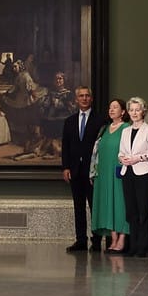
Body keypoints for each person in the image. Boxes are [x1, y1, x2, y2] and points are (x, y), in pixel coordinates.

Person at [60, 86, 102, 252]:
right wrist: (66, 167)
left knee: (95, 207)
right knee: (78, 207)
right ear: (76, 99)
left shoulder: (100, 120)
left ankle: (97, 241)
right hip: (75, 171)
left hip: (92, 172)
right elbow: (65, 146)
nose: (84, 98)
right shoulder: (69, 121)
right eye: (81, 96)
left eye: (87, 96)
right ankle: (81, 241)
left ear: (91, 98)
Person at [118, 98, 148, 257]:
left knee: (143, 211)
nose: (134, 113)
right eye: (131, 110)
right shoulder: (125, 131)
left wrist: (138, 158)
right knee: (131, 212)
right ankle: (133, 246)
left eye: (137, 110)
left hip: (144, 174)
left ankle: (143, 247)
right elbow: (121, 152)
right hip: (127, 173)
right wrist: (121, 159)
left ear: (144, 111)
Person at [90, 99, 130, 253]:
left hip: (119, 172)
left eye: (115, 107)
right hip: (103, 173)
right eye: (110, 107)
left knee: (120, 204)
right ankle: (113, 239)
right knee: (108, 204)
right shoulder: (105, 129)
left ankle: (122, 238)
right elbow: (96, 152)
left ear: (123, 111)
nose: (111, 110)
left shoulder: (126, 128)